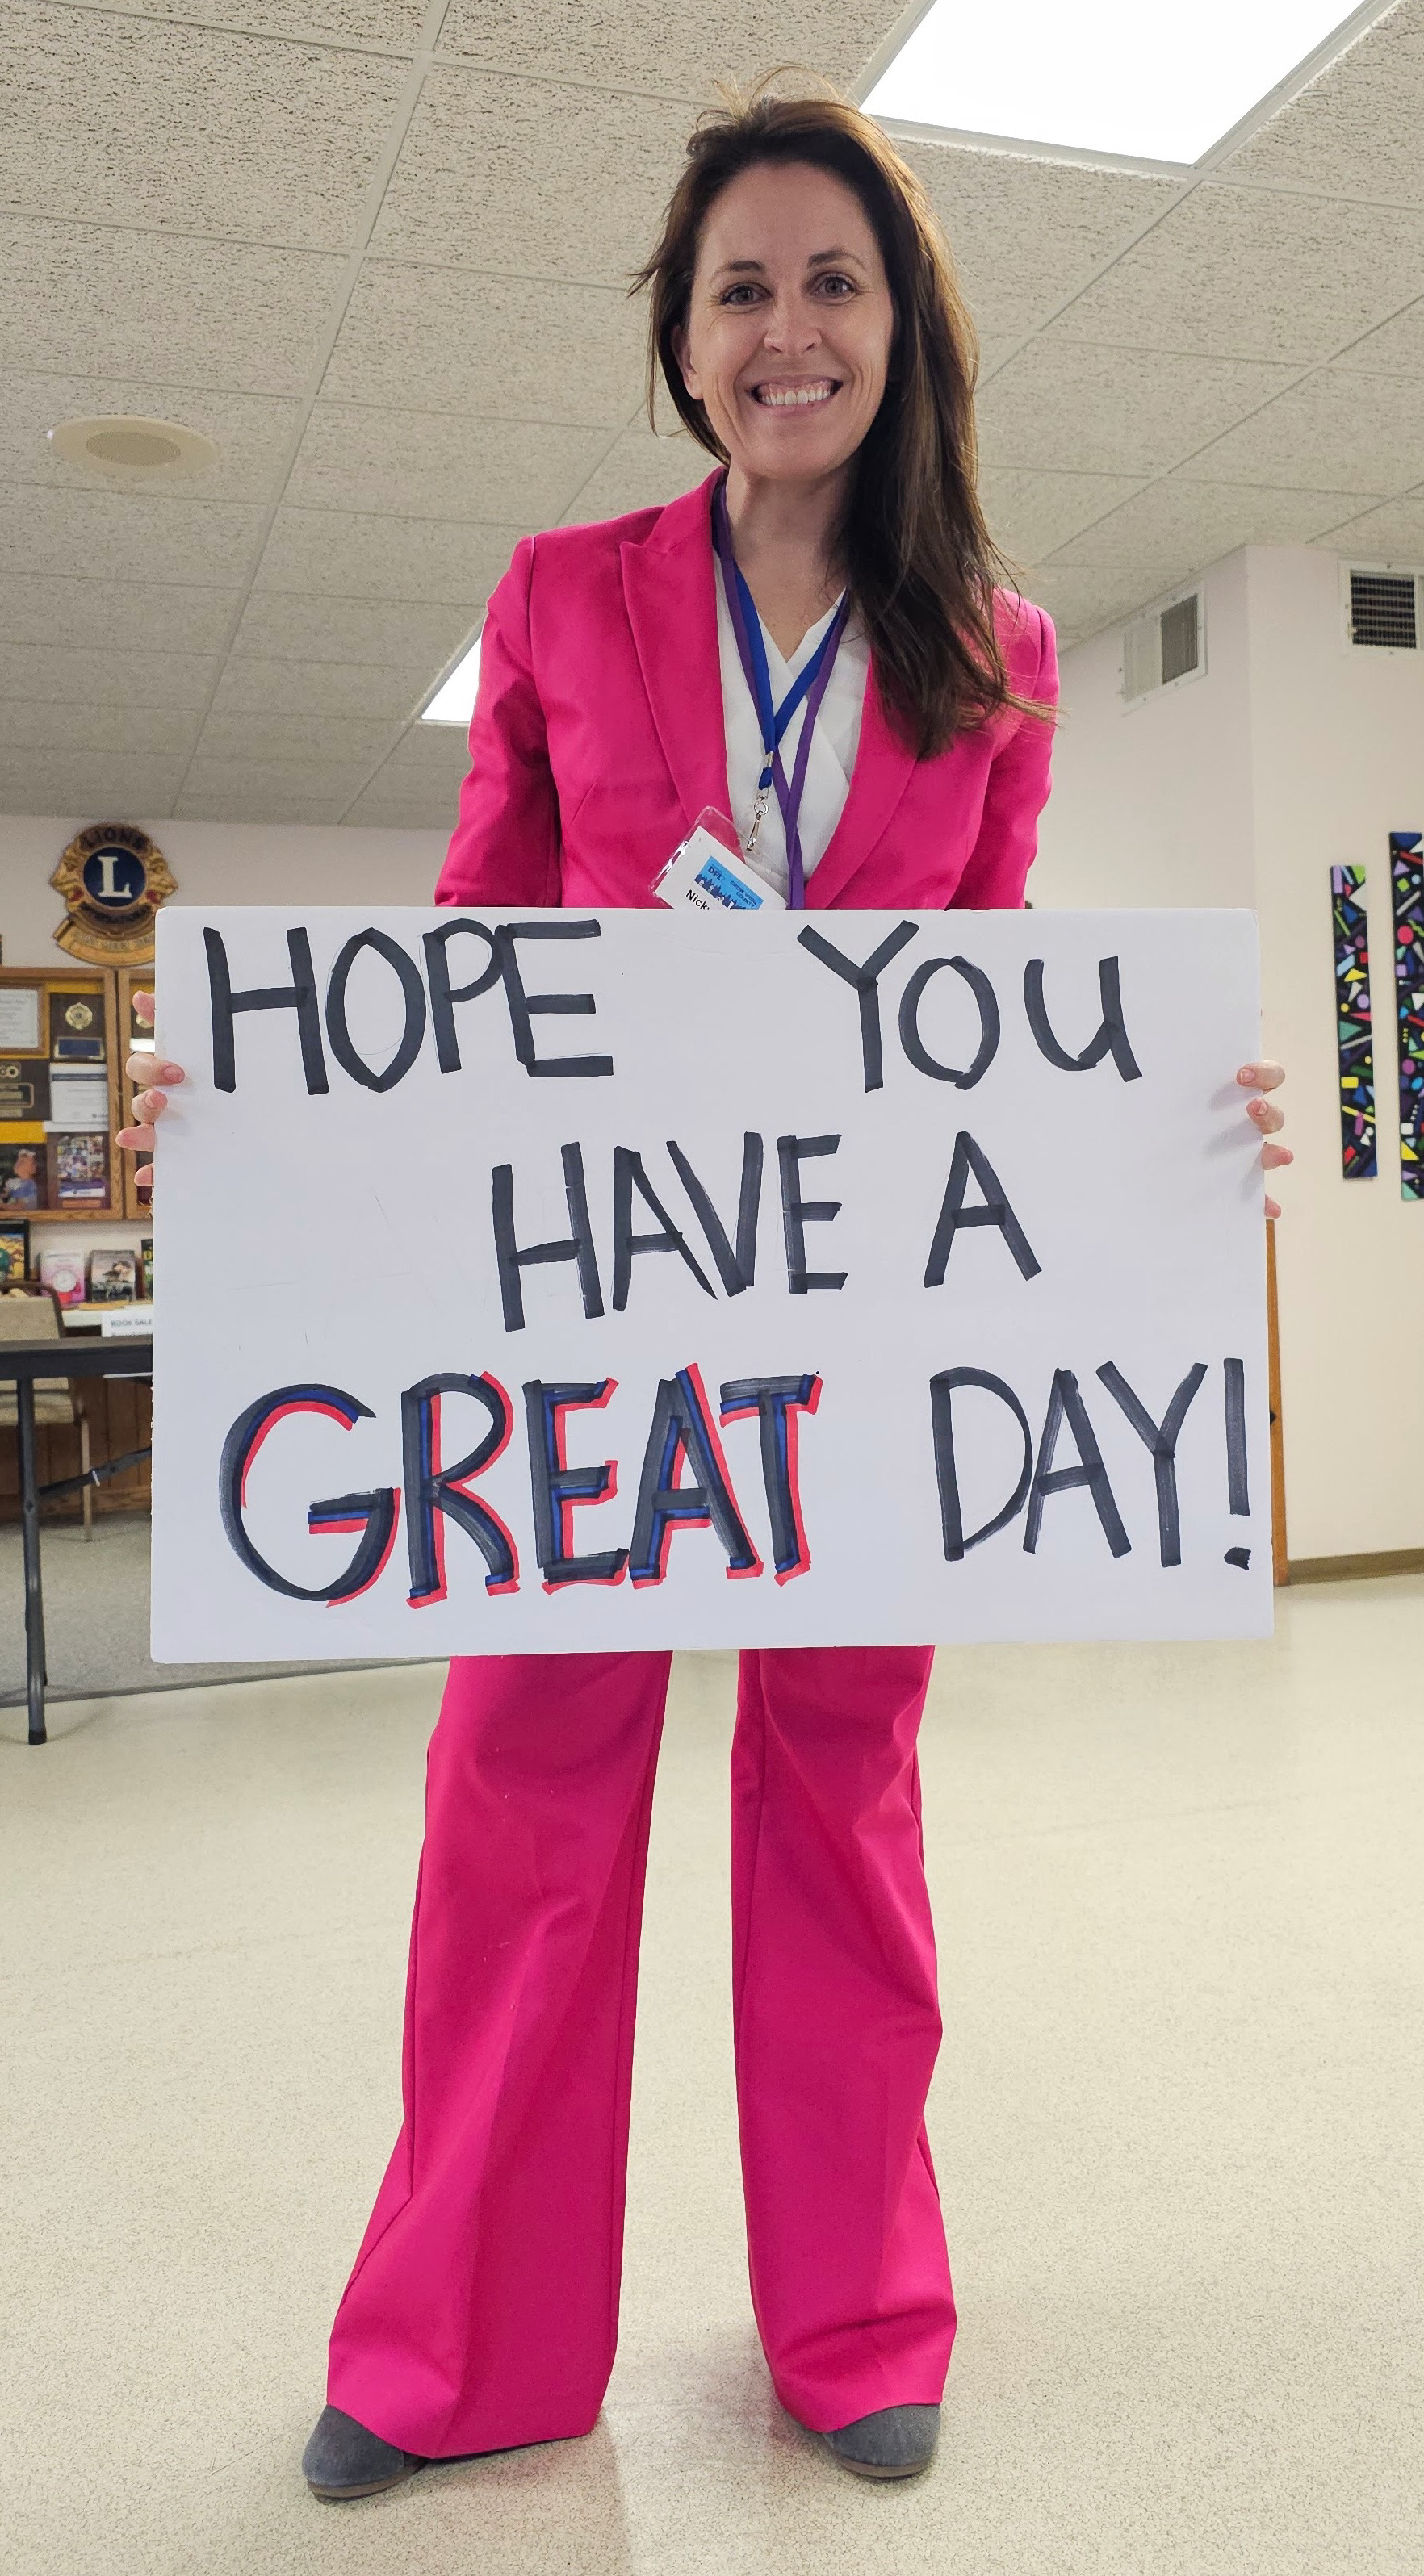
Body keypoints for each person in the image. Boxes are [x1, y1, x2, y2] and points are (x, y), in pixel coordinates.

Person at [120, 84, 1290, 2500]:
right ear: (678, 342)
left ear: (900, 329)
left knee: (838, 1800)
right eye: (740, 287)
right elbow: (468, 971)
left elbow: (984, 999)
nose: (787, 328)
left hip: (850, 1355)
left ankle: (858, 2323)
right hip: (587, 1343)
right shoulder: (560, 599)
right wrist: (252, 1114)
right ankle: (453, 2353)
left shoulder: (999, 648)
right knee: (519, 1802)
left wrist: (1159, 1131)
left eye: (831, 282)